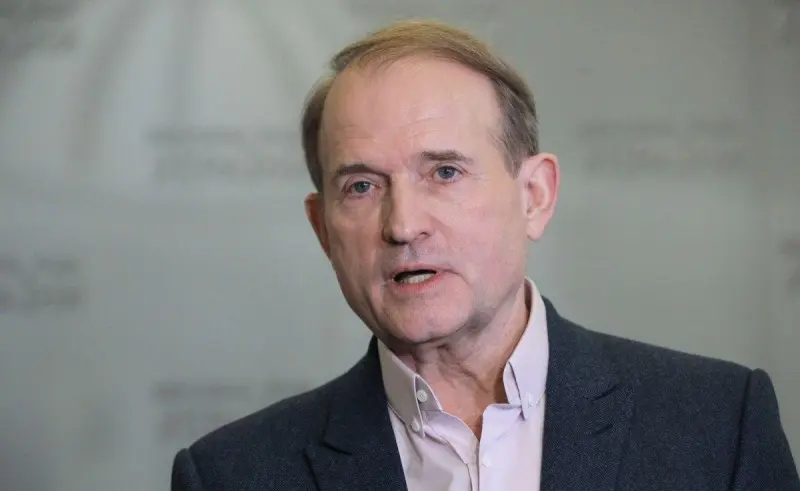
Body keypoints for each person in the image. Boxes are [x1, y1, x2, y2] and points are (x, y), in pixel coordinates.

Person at [171, 19, 800, 491]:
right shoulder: (232, 475)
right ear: (322, 229)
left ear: (534, 196)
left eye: (444, 172)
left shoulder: (719, 425)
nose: (403, 225)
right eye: (361, 186)